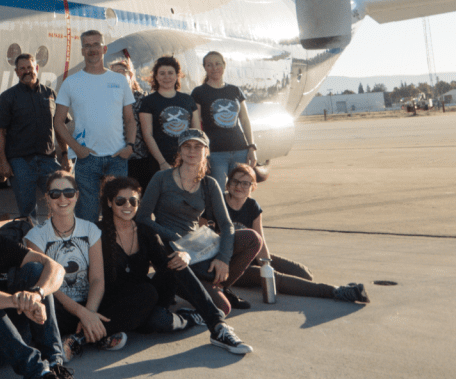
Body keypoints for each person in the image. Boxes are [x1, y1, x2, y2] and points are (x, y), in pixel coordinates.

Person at [135, 129, 258, 354]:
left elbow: (227, 224)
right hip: (170, 249)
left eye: (198, 147)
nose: (192, 151)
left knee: (251, 238)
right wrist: (172, 236)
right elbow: (142, 218)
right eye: (187, 146)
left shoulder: (209, 184)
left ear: (206, 151)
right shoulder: (161, 178)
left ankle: (216, 284)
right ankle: (212, 317)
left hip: (199, 248)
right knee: (223, 307)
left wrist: (223, 258)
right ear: (180, 150)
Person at [0, 189, 71, 379]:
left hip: (14, 341)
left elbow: (56, 267)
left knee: (35, 270)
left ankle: (54, 362)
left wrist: (36, 295)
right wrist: (20, 301)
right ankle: (37, 371)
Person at [223, 164, 370, 303]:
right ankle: (337, 291)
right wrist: (268, 275)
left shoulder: (252, 206)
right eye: (235, 181)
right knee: (277, 278)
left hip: (250, 254)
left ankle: (281, 279)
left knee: (304, 274)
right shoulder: (219, 202)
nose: (239, 186)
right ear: (228, 184)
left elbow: (260, 240)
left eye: (245, 183)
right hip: (229, 264)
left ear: (253, 187)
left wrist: (266, 265)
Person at [24, 171, 126, 358]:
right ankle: (97, 332)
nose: (63, 198)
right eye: (55, 194)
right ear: (47, 198)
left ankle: (77, 339)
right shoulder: (35, 236)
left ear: (77, 196)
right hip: (58, 307)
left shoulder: (90, 229)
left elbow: (97, 279)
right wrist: (83, 314)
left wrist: (90, 312)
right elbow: (47, 287)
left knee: (145, 293)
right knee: (40, 312)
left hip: (91, 302)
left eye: (69, 193)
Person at [53, 31, 136, 221]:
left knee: (118, 215)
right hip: (87, 159)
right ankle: (90, 250)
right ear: (82, 50)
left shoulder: (119, 80)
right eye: (88, 45)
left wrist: (129, 147)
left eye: (96, 44)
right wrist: (77, 149)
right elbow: (58, 121)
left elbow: (130, 119)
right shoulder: (71, 83)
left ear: (104, 48)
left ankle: (115, 250)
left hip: (117, 158)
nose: (92, 49)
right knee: (87, 215)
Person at [0, 54, 65, 220]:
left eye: (30, 68)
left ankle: (58, 238)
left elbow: (59, 127)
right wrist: (2, 161)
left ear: (36, 69)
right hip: (20, 163)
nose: (27, 72)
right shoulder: (8, 97)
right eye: (22, 69)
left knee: (63, 199)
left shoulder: (50, 94)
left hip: (48, 160)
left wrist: (66, 155)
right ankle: (30, 243)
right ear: (17, 72)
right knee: (28, 210)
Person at [191, 51, 256, 188]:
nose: (214, 68)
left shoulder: (235, 91)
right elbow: (196, 126)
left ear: (224, 65)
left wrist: (251, 147)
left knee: (240, 191)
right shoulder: (199, 92)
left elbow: (244, 120)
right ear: (205, 68)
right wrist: (203, 153)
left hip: (240, 151)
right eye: (209, 65)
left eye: (217, 64)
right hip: (215, 153)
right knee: (218, 193)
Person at [138, 56, 201, 186]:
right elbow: (147, 135)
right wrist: (162, 163)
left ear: (177, 76)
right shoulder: (148, 102)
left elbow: (197, 133)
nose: (166, 77)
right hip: (159, 162)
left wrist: (194, 158)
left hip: (187, 160)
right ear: (155, 76)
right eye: (162, 73)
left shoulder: (187, 100)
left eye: (170, 73)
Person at [109, 58, 156, 191]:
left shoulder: (143, 99)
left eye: (122, 71)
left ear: (130, 76)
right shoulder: (108, 101)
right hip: (116, 159)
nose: (118, 75)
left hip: (140, 158)